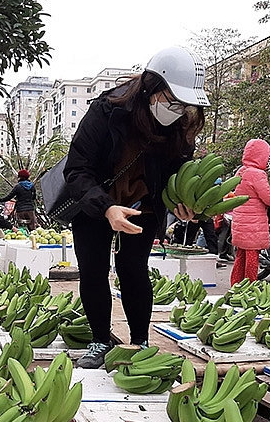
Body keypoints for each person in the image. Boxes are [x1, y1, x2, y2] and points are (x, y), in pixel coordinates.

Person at [63, 46, 209, 369]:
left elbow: (176, 175)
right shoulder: (107, 111)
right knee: (93, 268)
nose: (178, 110)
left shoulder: (180, 127)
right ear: (151, 87)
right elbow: (76, 169)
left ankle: (140, 341)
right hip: (96, 200)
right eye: (172, 101)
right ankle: (100, 338)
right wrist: (106, 209)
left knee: (133, 267)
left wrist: (180, 205)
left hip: (143, 203)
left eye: (184, 105)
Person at [229, 139, 270, 285]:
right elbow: (269, 199)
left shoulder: (240, 171)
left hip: (240, 222)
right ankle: (250, 286)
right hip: (253, 224)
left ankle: (236, 285)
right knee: (252, 258)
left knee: (240, 256)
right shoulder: (257, 174)